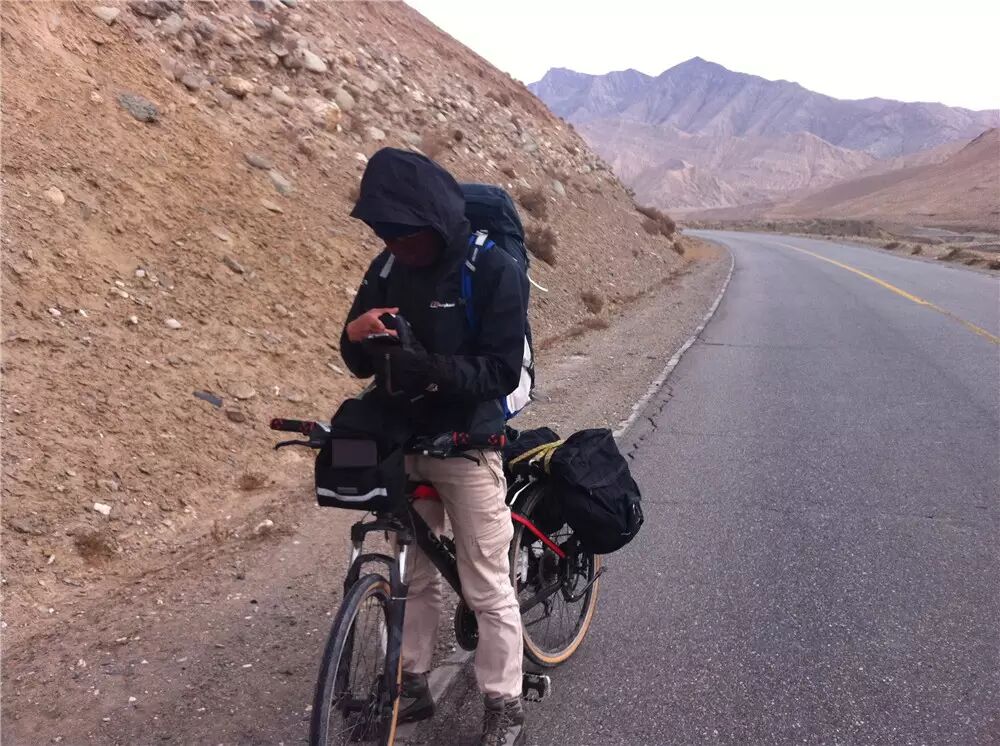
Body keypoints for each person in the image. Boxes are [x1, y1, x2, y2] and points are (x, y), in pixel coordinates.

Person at [340, 147, 528, 746]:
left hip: (469, 444)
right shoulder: (386, 268)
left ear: (436, 220)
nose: (394, 245)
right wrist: (355, 336)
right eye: (385, 234)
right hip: (407, 442)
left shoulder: (491, 269)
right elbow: (356, 363)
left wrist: (428, 367)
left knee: (485, 582)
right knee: (413, 575)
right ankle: (411, 683)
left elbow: (501, 372)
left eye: (404, 233)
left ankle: (505, 703)